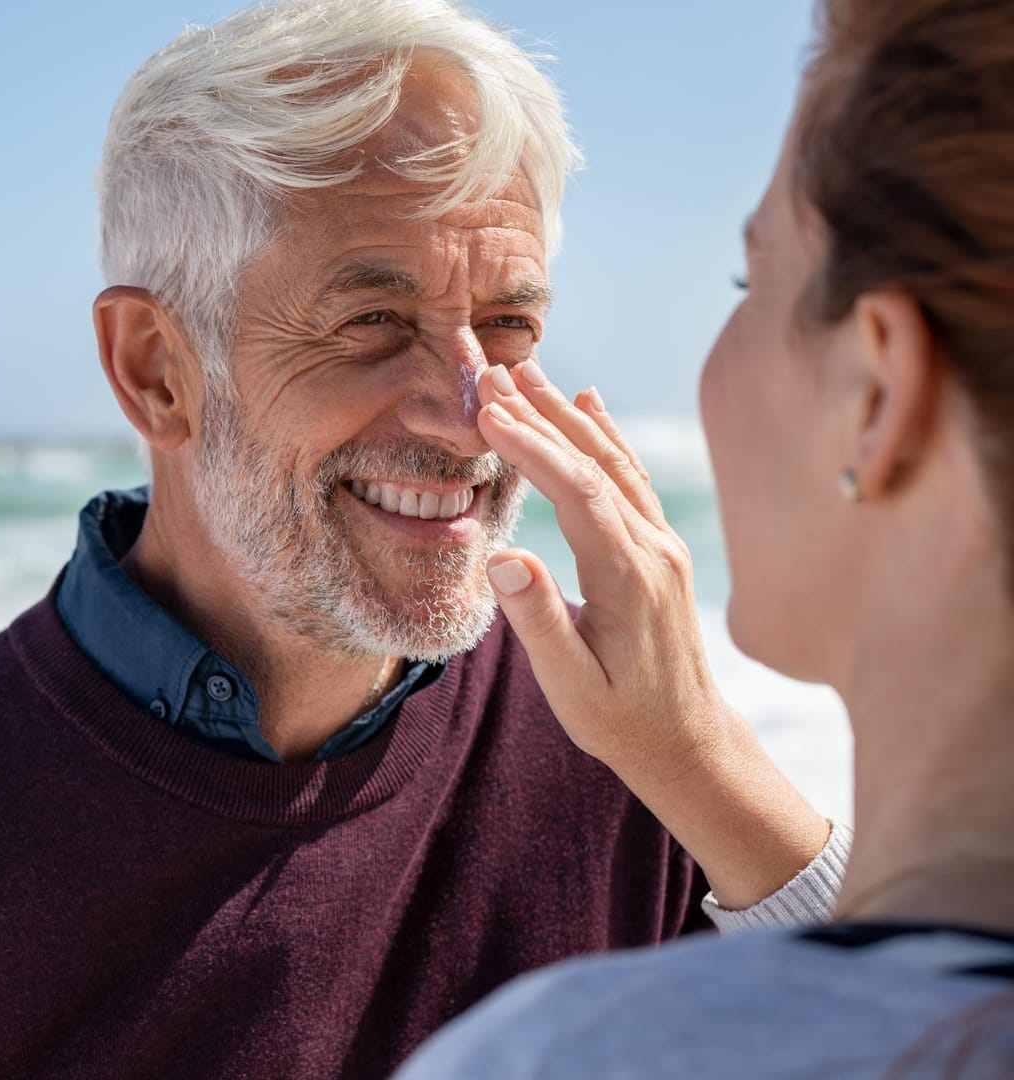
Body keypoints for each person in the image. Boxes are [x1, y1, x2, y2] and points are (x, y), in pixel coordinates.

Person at [0, 2, 853, 1076]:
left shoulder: (631, 765)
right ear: (156, 371)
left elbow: (939, 1043)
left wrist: (704, 768)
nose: (469, 410)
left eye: (509, 323)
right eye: (373, 322)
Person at [392, 0, 1014, 1075]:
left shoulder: (568, 1056)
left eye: (752, 282)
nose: (471, 398)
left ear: (878, 387)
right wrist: (691, 761)